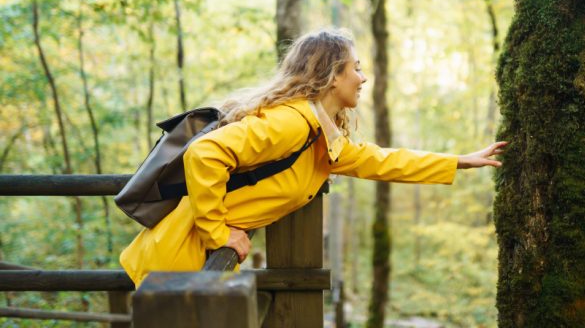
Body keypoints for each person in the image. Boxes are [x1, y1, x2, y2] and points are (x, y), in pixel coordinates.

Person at [120, 28, 507, 286]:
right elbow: (204, 153)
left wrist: (459, 160)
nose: (363, 77)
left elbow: (383, 160)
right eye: (356, 67)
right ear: (332, 76)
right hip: (177, 261)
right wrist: (219, 232)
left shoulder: (322, 138)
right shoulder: (292, 123)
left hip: (197, 267)